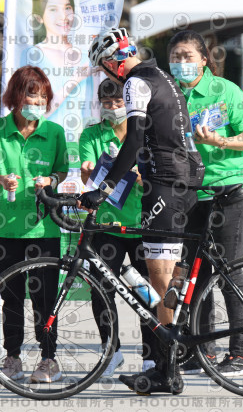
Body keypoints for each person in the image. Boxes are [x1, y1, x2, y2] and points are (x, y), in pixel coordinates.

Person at [79, 27, 204, 395]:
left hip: (165, 181)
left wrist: (103, 188)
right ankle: (167, 362)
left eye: (104, 68)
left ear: (113, 62)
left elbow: (134, 139)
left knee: (160, 278)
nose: (107, 76)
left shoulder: (136, 82)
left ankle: (168, 368)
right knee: (162, 276)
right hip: (181, 178)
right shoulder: (160, 74)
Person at [166, 30, 243, 377]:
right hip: (190, 192)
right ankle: (202, 349)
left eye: (188, 56)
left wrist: (220, 140)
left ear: (204, 60)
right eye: (175, 57)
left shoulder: (225, 91)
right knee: (194, 271)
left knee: (228, 269)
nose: (181, 63)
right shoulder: (170, 95)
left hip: (227, 189)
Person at [0, 66, 69, 384]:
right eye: (33, 96)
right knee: (11, 297)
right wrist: (1, 179)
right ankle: (12, 357)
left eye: (44, 97)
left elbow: (62, 170)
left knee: (45, 298)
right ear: (17, 98)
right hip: (5, 228)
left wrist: (51, 180)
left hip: (44, 229)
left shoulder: (54, 132)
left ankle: (48, 359)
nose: (38, 103)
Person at [79, 78, 156, 376]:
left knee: (145, 291)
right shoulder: (92, 134)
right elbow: (88, 173)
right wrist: (88, 171)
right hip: (106, 225)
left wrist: (142, 177)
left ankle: (151, 356)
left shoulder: (145, 134)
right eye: (106, 102)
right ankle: (111, 351)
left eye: (119, 102)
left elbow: (156, 178)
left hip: (141, 224)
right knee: (101, 290)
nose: (112, 107)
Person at [23, 0, 97, 130]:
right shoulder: (33, 55)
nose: (63, 16)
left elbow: (95, 111)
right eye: (53, 9)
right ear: (39, 17)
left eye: (67, 8)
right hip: (46, 139)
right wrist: (75, 80)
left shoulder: (87, 56)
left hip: (82, 140)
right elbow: (36, 114)